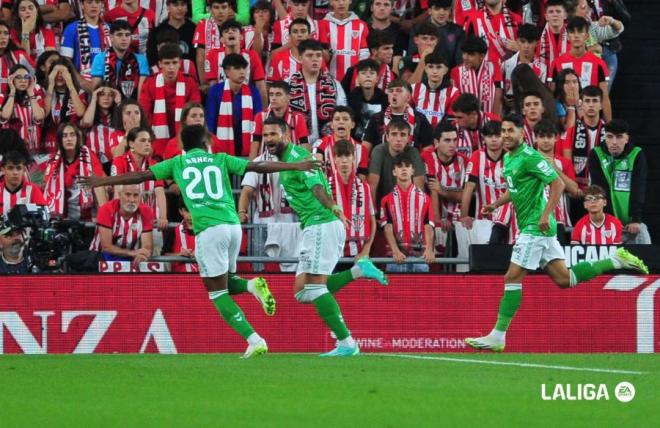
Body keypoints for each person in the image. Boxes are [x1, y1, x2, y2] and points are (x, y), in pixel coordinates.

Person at [80, 123, 324, 358]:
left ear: (183, 146)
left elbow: (140, 175)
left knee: (216, 292)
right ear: (206, 143)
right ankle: (252, 286)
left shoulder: (178, 162)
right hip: (233, 226)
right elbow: (257, 167)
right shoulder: (220, 158)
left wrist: (102, 181)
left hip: (209, 230)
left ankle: (254, 340)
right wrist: (296, 165)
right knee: (226, 282)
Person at [464, 114, 648, 352]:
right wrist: (495, 204)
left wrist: (544, 215)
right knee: (564, 279)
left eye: (511, 131)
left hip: (535, 227)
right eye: (503, 131)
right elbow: (516, 190)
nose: (506, 135)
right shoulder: (510, 158)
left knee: (511, 277)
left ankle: (498, 336)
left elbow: (558, 184)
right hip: (537, 227)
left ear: (522, 133)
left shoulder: (530, 157)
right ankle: (615, 259)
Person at [259, 116, 387, 356]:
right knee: (301, 291)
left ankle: (346, 343)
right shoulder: (284, 160)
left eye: (273, 134)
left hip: (322, 223)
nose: (269, 140)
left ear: (286, 135)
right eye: (265, 135)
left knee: (315, 288)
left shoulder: (299, 158)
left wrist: (333, 207)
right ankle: (360, 270)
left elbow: (317, 188)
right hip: (313, 226)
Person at [588, 119, 651, 245]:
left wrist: (636, 219)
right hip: (606, 223)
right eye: (610, 137)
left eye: (619, 137)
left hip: (632, 224)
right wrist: (609, 221)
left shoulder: (636, 154)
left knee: (645, 257)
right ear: (604, 137)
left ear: (627, 138)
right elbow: (599, 189)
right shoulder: (596, 154)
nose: (614, 142)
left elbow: (638, 188)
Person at [138, 43, 201, 159]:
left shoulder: (190, 83)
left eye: (174, 63)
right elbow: (144, 116)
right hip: (156, 140)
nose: (171, 67)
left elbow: (195, 114)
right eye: (167, 63)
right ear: (160, 64)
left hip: (185, 140)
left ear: (180, 63)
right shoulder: (149, 83)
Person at [547, 16, 611, 121]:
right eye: (572, 32)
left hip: (590, 122)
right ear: (568, 36)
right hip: (564, 121)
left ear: (586, 36)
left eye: (580, 32)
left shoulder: (599, 63)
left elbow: (604, 98)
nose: (576, 36)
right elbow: (551, 97)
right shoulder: (556, 63)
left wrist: (609, 126)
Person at [381, 152, 435, 273]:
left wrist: (429, 249)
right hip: (395, 259)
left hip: (420, 258)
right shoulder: (386, 200)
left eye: (407, 166)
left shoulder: (425, 198)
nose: (404, 169)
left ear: (412, 171)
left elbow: (429, 225)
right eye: (400, 166)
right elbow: (387, 227)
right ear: (394, 172)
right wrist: (395, 251)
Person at [43, 123, 107, 220]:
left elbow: (99, 187)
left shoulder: (90, 157)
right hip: (62, 219)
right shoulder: (53, 162)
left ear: (78, 138)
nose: (69, 139)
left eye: (72, 135)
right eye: (65, 136)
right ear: (60, 140)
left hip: (88, 219)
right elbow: (47, 191)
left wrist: (103, 221)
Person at [287, 40, 346, 143]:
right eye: (310, 55)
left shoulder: (334, 84)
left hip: (327, 143)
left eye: (318, 55)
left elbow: (343, 113)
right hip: (296, 144)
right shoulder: (288, 84)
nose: (315, 59)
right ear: (300, 58)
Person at [205, 53, 262, 157]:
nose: (242, 72)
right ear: (227, 71)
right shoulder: (215, 91)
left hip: (247, 146)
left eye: (244, 68)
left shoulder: (253, 92)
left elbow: (258, 122)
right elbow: (210, 122)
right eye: (237, 68)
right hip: (221, 147)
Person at [327, 139, 375, 259]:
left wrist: (366, 250)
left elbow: (372, 222)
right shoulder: (325, 186)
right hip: (331, 251)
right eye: (340, 156)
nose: (344, 160)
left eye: (347, 155)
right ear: (334, 159)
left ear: (353, 158)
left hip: (358, 253)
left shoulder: (364, 187)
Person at [89, 183, 154, 266]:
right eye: (128, 194)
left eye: (136, 195)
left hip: (130, 259)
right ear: (119, 195)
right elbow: (106, 247)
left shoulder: (146, 212)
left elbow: (148, 246)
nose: (132, 200)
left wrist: (143, 254)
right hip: (99, 257)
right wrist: (131, 253)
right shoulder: (106, 209)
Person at [424, 122, 467, 245]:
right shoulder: (427, 157)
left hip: (459, 219)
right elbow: (433, 191)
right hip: (433, 219)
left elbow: (466, 196)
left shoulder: (464, 161)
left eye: (454, 140)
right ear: (436, 143)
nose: (452, 144)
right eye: (447, 140)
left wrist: (442, 191)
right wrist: (438, 220)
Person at [204, 19, 267, 105]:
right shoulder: (213, 55)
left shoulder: (252, 56)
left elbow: (260, 86)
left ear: (241, 37)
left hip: (246, 102)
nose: (230, 32)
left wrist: (263, 114)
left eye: (234, 30)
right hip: (221, 102)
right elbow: (213, 86)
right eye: (226, 31)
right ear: (221, 39)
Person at [361, 78, 433, 152]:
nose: (394, 93)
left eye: (399, 91)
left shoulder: (419, 119)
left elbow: (428, 149)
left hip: (410, 161)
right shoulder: (376, 118)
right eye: (391, 91)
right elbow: (365, 148)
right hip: (382, 161)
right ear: (388, 97)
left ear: (408, 97)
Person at [367, 117, 426, 203]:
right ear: (387, 137)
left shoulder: (414, 152)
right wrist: (373, 214)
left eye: (402, 134)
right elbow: (372, 184)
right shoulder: (379, 151)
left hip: (409, 204)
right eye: (394, 134)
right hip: (384, 204)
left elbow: (419, 186)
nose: (398, 139)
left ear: (409, 139)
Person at [90, 20, 150, 100]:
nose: (124, 38)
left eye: (127, 35)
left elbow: (142, 94)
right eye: (119, 35)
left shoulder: (141, 59)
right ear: (111, 37)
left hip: (131, 107)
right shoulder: (100, 58)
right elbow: (96, 92)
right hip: (107, 106)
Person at [562, 85, 605, 192]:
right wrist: (574, 188)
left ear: (601, 105)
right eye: (587, 101)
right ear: (581, 104)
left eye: (595, 101)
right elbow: (567, 162)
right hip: (578, 190)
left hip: (603, 191)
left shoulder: (609, 131)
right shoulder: (572, 130)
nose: (591, 105)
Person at [59, 0, 109, 92]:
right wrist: (81, 81)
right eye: (89, 2)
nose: (94, 5)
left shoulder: (109, 29)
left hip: (107, 84)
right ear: (82, 5)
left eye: (97, 2)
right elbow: (65, 60)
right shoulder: (71, 28)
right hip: (82, 86)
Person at [42, 58, 88, 154]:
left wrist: (70, 84)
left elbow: (80, 112)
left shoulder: (79, 92)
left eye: (63, 73)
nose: (59, 76)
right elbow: (44, 114)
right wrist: (50, 85)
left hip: (72, 140)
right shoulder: (44, 92)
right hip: (50, 142)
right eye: (56, 72)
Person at [450, 35, 503, 117]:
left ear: (482, 56)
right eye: (464, 53)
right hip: (467, 120)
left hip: (489, 119)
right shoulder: (456, 72)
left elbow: (498, 93)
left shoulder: (493, 67)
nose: (465, 57)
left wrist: (495, 119)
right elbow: (455, 99)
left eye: (470, 54)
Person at [318, 0, 370, 82]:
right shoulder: (321, 25)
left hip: (354, 82)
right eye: (337, 0)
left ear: (350, 1)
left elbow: (364, 56)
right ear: (330, 2)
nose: (341, 3)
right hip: (329, 82)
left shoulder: (361, 25)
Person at [0, 64, 45, 155]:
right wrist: (12, 91)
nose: (23, 80)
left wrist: (30, 92)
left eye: (26, 77)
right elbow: (5, 116)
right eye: (18, 77)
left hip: (33, 148)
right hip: (11, 150)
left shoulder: (35, 97)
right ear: (11, 80)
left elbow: (39, 116)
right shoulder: (2, 97)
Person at [314, 106, 369, 178]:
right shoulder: (320, 144)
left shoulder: (362, 150)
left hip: (352, 188)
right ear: (332, 125)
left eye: (345, 119)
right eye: (337, 119)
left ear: (353, 125)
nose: (341, 122)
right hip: (326, 188)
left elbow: (361, 180)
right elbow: (316, 174)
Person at [502, 24, 547, 110]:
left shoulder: (542, 68)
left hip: (531, 110)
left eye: (530, 42)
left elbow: (541, 95)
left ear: (537, 43)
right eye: (523, 41)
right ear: (517, 41)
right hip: (508, 111)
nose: (526, 46)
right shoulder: (506, 65)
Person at [462, 0, 522, 65]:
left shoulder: (517, 20)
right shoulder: (473, 20)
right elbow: (468, 53)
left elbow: (528, 53)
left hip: (512, 72)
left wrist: (520, 49)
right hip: (485, 73)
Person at [410, 52, 458, 128]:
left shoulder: (453, 93)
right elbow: (408, 115)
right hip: (417, 136)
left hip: (440, 137)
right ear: (425, 69)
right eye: (431, 67)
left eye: (439, 67)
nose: (434, 71)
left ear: (446, 70)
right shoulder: (413, 88)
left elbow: (451, 121)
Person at [346, 58, 388, 141]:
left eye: (372, 73)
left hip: (376, 142)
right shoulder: (351, 97)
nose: (368, 76)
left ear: (377, 78)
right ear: (357, 78)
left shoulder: (384, 98)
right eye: (363, 73)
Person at [80, 82, 121, 166]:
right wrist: (94, 98)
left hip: (115, 162)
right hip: (91, 162)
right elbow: (87, 122)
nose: (106, 98)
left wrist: (119, 103)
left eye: (110, 95)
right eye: (102, 94)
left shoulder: (118, 115)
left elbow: (128, 125)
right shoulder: (89, 113)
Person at [146, 0, 196, 67]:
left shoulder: (195, 30)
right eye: (175, 5)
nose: (180, 8)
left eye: (183, 4)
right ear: (168, 7)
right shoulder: (157, 31)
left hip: (188, 74)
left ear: (187, 7)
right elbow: (152, 59)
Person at [451, 92, 500, 158]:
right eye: (455, 117)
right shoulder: (452, 128)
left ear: (473, 115)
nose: (456, 121)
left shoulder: (494, 122)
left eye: (460, 117)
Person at [267, 18, 313, 84]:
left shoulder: (315, 58)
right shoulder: (278, 58)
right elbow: (271, 85)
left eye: (303, 31)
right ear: (289, 36)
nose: (299, 35)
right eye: (295, 32)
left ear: (309, 36)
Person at [0, 150, 46, 215]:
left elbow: (43, 216)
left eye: (18, 168)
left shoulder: (33, 189)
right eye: (10, 168)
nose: (15, 173)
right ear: (3, 170)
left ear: (24, 170)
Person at [162, 197, 198, 273]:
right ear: (181, 211)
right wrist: (178, 255)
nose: (191, 215)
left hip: (203, 280)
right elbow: (164, 255)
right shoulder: (174, 231)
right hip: (180, 279)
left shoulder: (207, 231)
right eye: (187, 211)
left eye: (194, 210)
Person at [0, 20, 34, 96]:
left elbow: (34, 75)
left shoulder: (19, 55)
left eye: (6, 33)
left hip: (16, 102)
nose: (3, 37)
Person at [537, 0, 569, 71]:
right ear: (546, 16)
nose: (555, 15)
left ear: (565, 15)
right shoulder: (537, 37)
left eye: (558, 11)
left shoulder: (573, 36)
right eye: (551, 12)